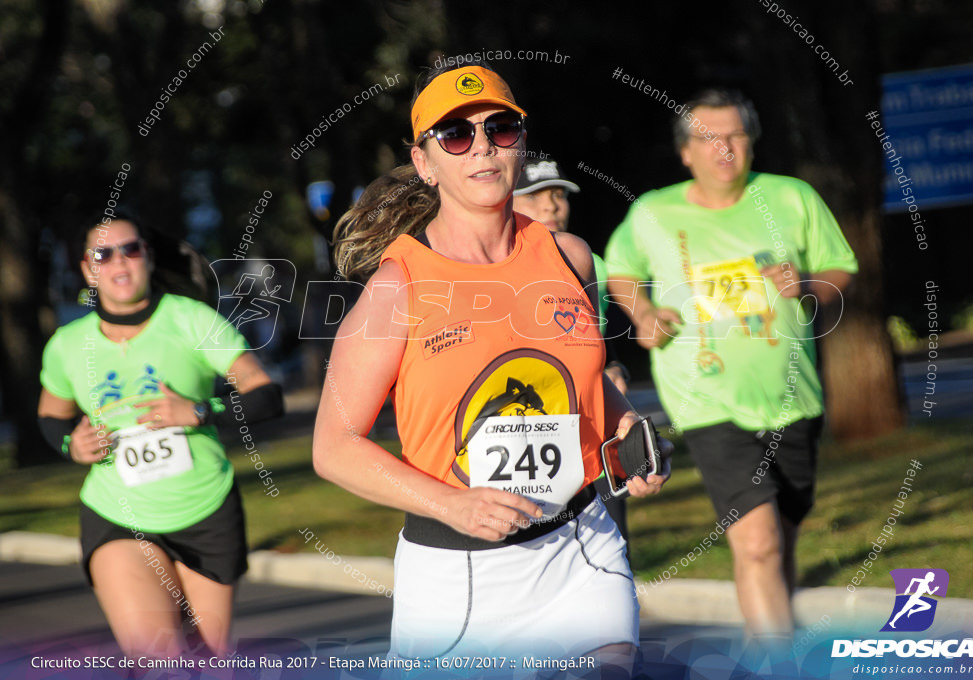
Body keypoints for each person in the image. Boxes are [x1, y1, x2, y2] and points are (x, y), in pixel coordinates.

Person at [315, 62, 670, 665]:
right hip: (459, 581)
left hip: (581, 549)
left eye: (500, 128)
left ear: (521, 144)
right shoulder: (397, 288)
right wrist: (454, 504)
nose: (482, 146)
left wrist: (628, 432)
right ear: (425, 162)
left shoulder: (570, 256)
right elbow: (333, 447)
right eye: (456, 135)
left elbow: (588, 384)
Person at [605, 89, 858, 640]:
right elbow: (620, 269)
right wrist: (643, 310)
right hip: (706, 399)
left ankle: (766, 642)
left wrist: (810, 286)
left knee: (780, 543)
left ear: (752, 142)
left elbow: (840, 268)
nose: (725, 149)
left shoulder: (791, 198)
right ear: (685, 152)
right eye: (708, 137)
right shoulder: (653, 211)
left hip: (794, 396)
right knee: (759, 541)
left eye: (736, 136)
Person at [37, 215, 284, 658]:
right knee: (159, 661)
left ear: (147, 257)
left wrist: (198, 411)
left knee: (210, 662)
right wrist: (70, 445)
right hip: (118, 512)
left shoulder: (191, 320)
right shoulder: (67, 344)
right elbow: (51, 416)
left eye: (130, 249)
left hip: (206, 507)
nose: (119, 261)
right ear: (87, 269)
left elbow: (266, 397)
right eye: (103, 253)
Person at [511, 156, 633, 548]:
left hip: (588, 412)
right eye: (534, 196)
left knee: (608, 514)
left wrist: (614, 366)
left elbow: (594, 335)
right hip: (526, 413)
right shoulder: (497, 262)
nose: (551, 206)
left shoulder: (587, 259)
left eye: (559, 195)